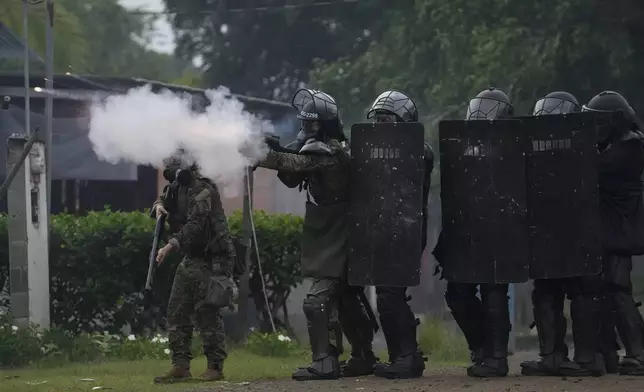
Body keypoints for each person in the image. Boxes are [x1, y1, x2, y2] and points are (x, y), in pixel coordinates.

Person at [254, 89, 376, 380]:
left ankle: (325, 361)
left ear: (324, 125)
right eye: (304, 124)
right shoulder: (325, 148)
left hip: (342, 229)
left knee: (317, 301)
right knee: (345, 298)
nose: (306, 130)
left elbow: (296, 165)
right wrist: (274, 149)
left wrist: (260, 154)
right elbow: (292, 174)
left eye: (311, 125)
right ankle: (362, 356)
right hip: (331, 227)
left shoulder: (331, 152)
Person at [520, 91, 605, 377]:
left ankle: (577, 358)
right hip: (556, 232)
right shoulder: (584, 145)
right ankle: (571, 358)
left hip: (573, 230)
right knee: (552, 291)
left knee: (571, 292)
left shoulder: (586, 147)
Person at [434, 87, 514, 378]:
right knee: (458, 294)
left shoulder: (513, 147)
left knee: (494, 292)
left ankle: (496, 358)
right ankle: (481, 349)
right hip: (467, 230)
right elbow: (455, 195)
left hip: (501, 231)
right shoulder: (462, 147)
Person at [362, 90, 433, 379]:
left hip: (407, 229)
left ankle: (407, 357)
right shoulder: (374, 150)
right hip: (384, 229)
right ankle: (402, 356)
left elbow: (419, 155)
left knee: (390, 294)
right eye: (377, 120)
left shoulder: (420, 150)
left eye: (387, 120)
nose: (381, 125)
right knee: (387, 294)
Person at [152, 155, 238, 383]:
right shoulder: (176, 188)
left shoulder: (203, 189)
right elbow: (161, 199)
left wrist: (169, 246)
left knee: (206, 310)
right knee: (177, 309)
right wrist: (159, 207)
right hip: (192, 257)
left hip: (214, 257)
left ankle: (215, 367)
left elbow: (195, 225)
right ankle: (180, 365)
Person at [583, 91, 644, 376]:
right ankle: (608, 352)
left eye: (602, 120)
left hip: (620, 229)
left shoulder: (629, 147)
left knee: (618, 289)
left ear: (616, 121)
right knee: (606, 289)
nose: (597, 126)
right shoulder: (619, 145)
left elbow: (594, 169)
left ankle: (638, 353)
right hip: (613, 227)